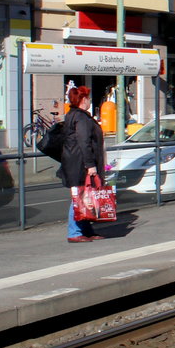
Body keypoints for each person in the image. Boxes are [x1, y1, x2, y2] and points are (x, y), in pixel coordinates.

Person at [58, 86, 106, 243]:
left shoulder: (72, 115)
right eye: (88, 98)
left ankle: (86, 230)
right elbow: (84, 142)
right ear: (83, 100)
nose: (90, 101)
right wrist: (90, 165)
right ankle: (74, 231)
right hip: (81, 165)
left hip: (74, 163)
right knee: (79, 198)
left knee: (85, 197)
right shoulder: (81, 118)